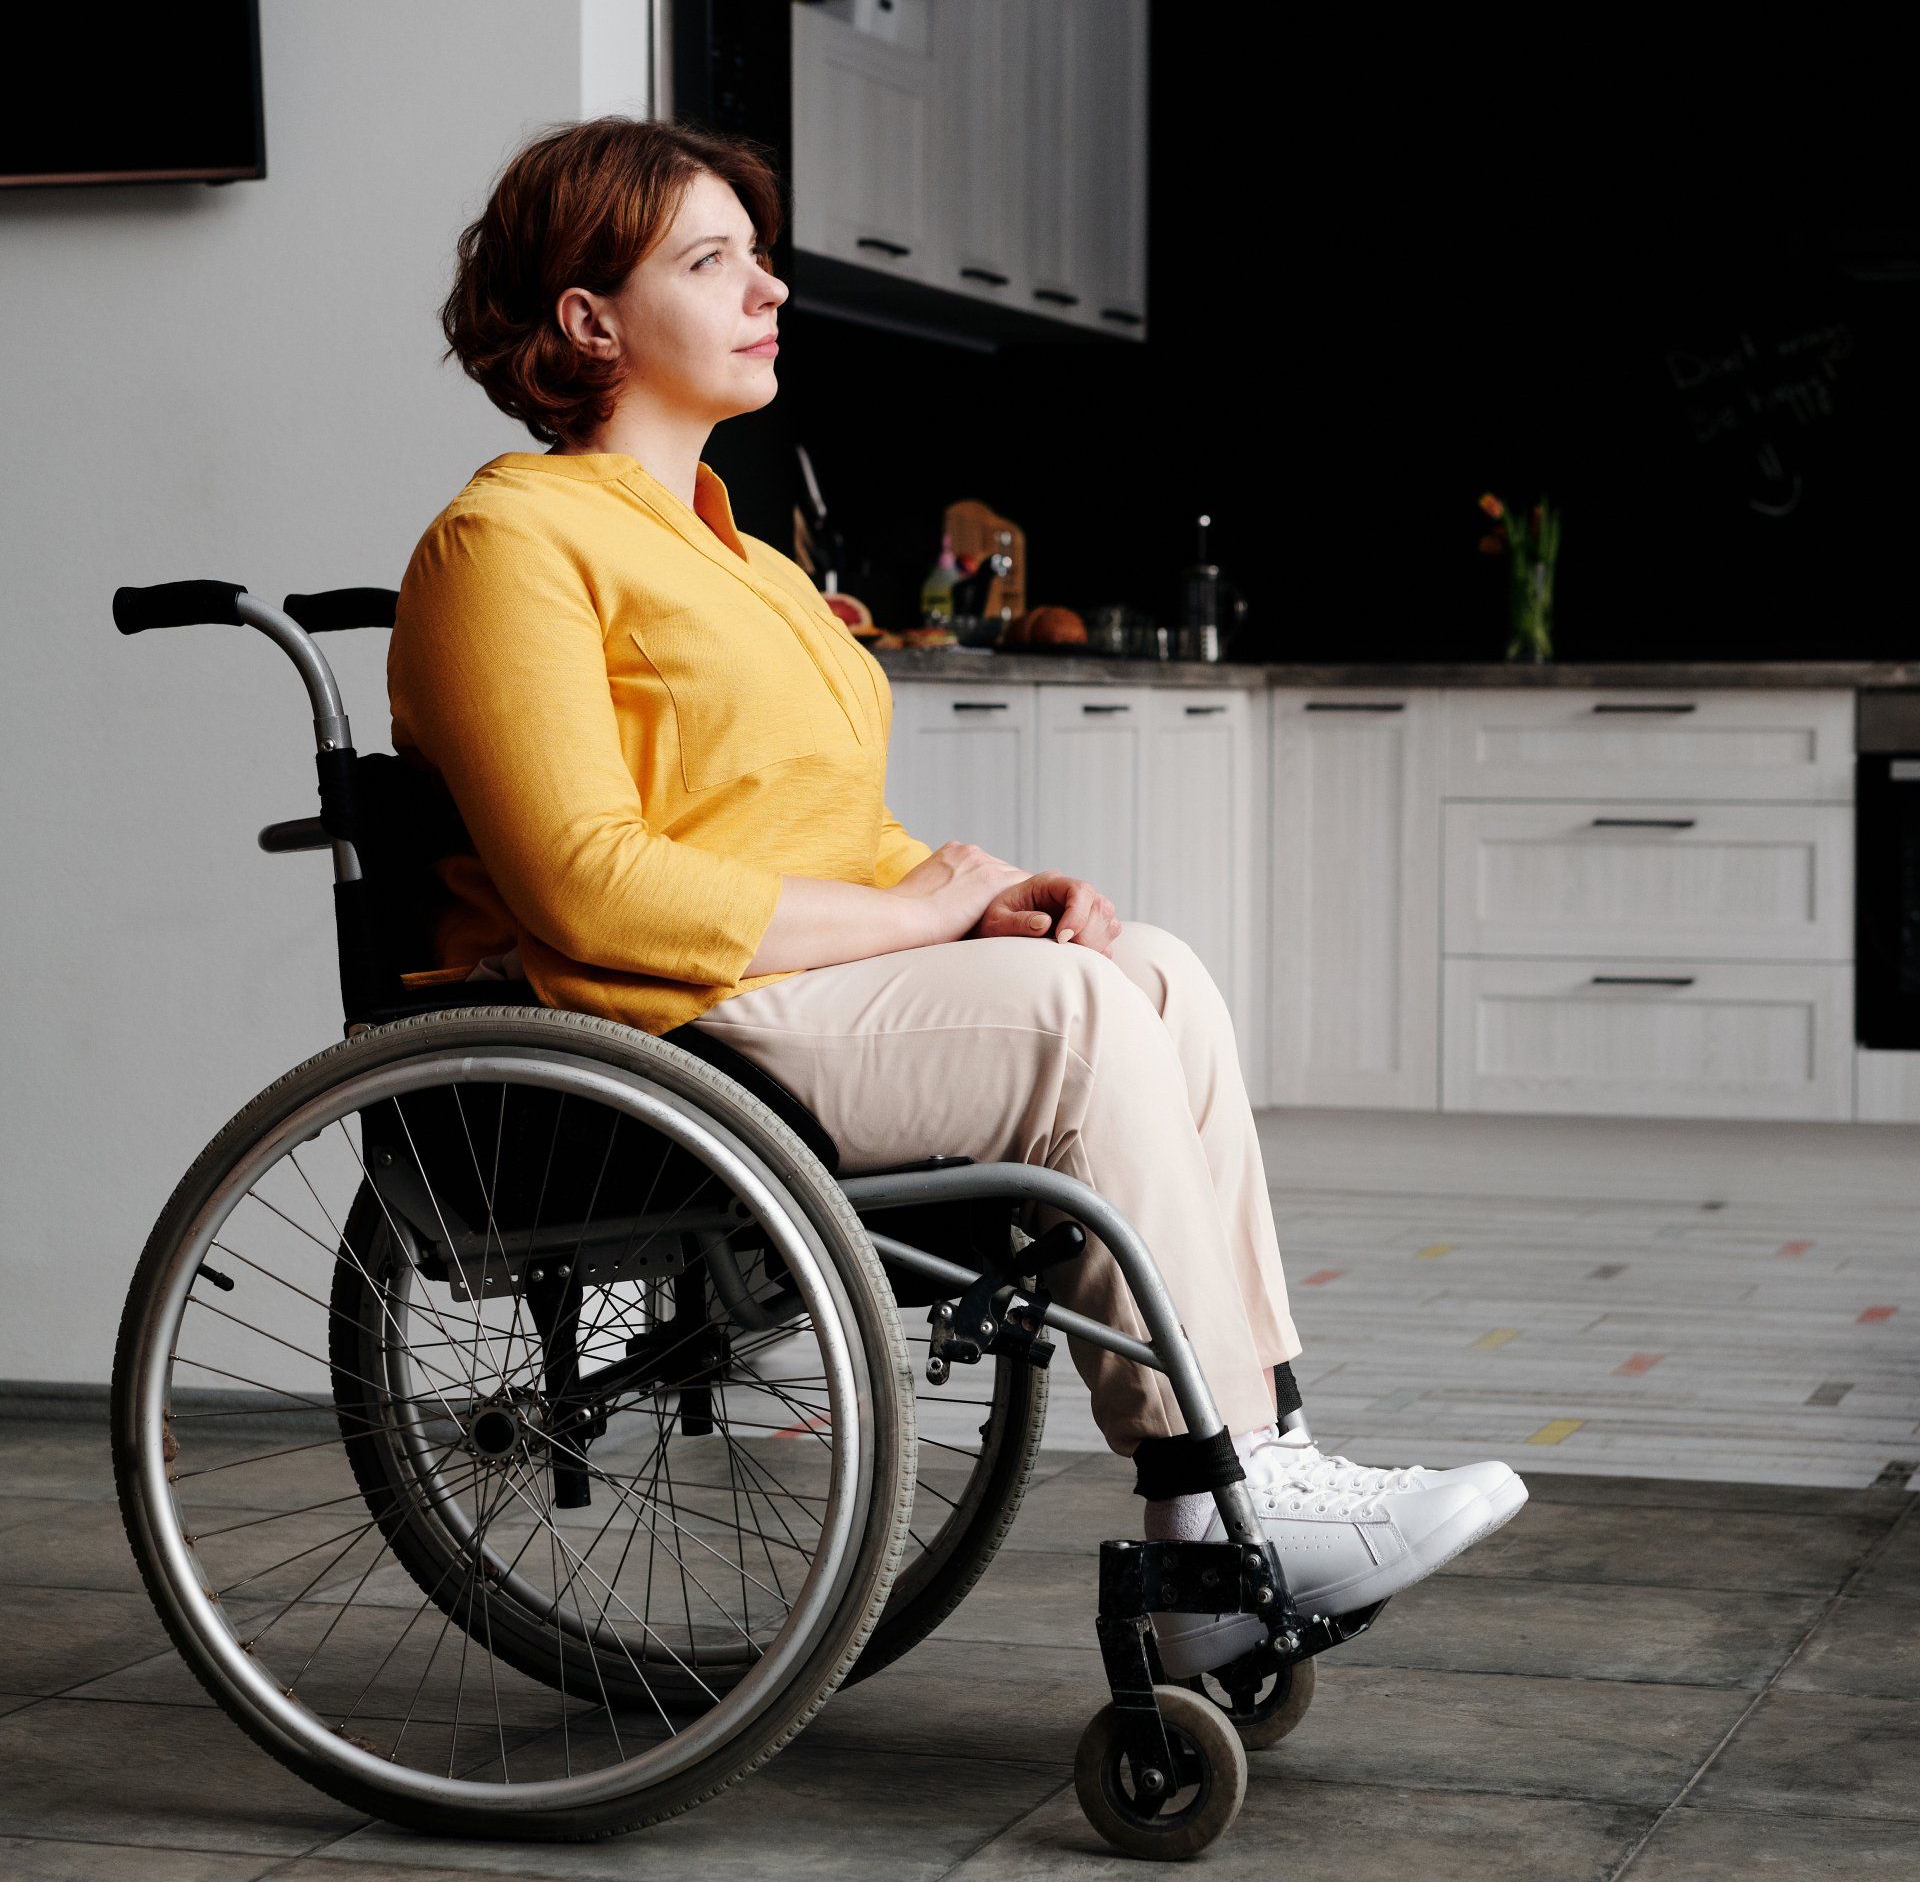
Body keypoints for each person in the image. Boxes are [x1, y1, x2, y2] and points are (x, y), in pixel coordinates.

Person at [390, 116, 1525, 1662]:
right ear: (587, 320)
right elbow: (591, 886)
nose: (768, 288)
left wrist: (971, 900)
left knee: (1159, 974)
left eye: (759, 255)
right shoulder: (505, 542)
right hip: (654, 1021)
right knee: (1075, 1016)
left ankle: (1248, 1482)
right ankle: (1221, 1506)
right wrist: (926, 915)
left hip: (790, 992)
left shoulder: (749, 560)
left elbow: (810, 830)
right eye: (712, 262)